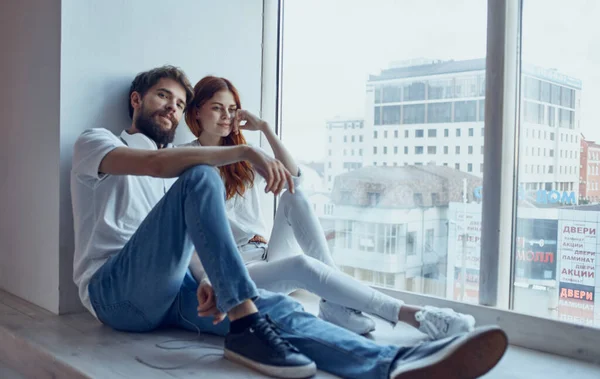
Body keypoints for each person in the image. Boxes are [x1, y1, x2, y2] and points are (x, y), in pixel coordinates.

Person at [71, 65, 508, 379]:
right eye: (164, 96)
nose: (172, 107)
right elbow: (150, 166)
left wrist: (210, 281)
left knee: (277, 308)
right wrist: (243, 150)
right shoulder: (99, 142)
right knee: (201, 175)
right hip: (112, 291)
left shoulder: (177, 174)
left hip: (169, 292)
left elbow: (188, 241)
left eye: (179, 101)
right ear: (136, 101)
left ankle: (391, 365)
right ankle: (247, 327)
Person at [184, 75, 476, 339]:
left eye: (232, 108)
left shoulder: (243, 155)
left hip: (265, 253)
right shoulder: (185, 159)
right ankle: (415, 316)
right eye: (217, 108)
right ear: (197, 111)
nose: (226, 116)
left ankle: (336, 304)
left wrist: (266, 129)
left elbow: (293, 178)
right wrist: (209, 277)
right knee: (301, 265)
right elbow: (188, 234)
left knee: (294, 196)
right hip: (237, 268)